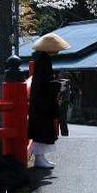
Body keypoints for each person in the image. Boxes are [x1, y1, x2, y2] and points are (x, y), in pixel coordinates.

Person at [29, 33, 70, 169]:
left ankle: (41, 158)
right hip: (43, 103)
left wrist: (55, 83)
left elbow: (43, 82)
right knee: (42, 131)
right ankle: (39, 159)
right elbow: (45, 84)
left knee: (42, 130)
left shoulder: (41, 58)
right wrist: (59, 85)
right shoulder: (44, 60)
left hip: (40, 101)